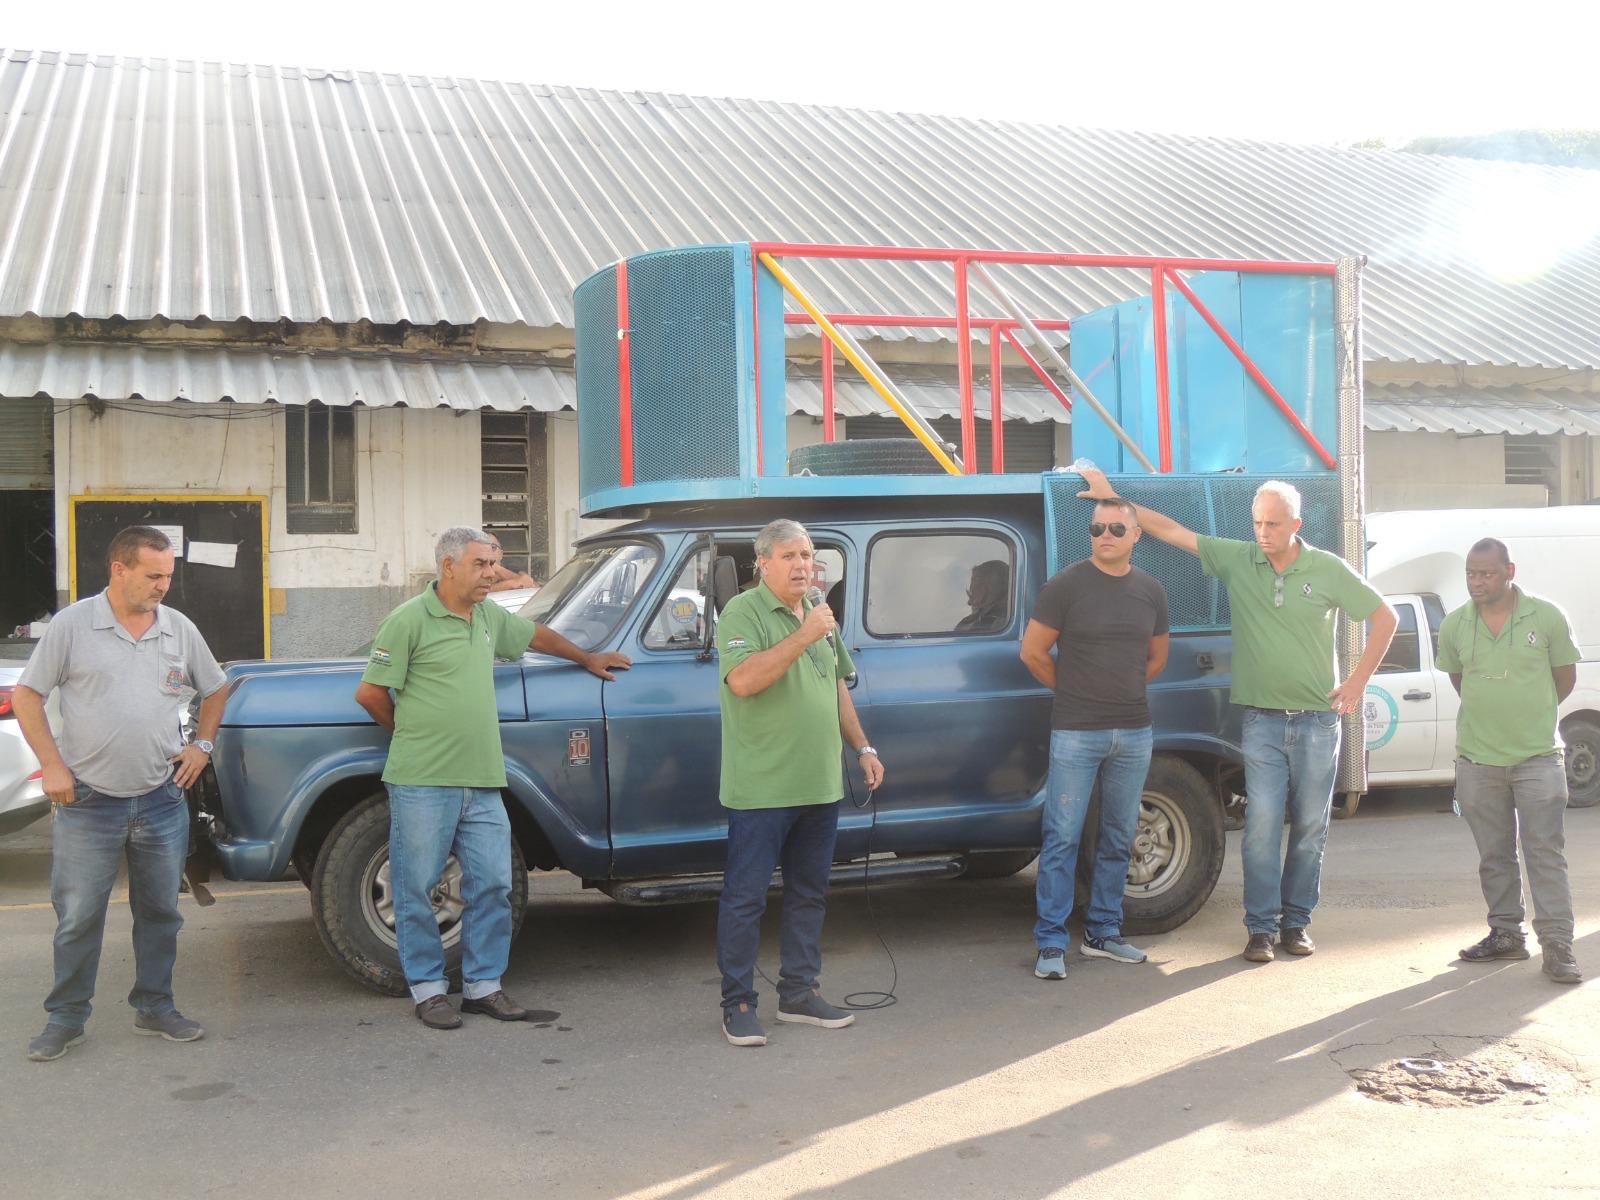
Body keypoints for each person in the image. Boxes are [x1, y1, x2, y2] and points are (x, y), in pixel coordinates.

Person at [1077, 469, 1396, 963]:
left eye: (1273, 524)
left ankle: (1296, 922)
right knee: (1262, 827)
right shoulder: (1239, 559)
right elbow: (1172, 531)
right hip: (1262, 722)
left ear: (1296, 524)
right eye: (1257, 523)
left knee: (1310, 829)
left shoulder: (1327, 568)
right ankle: (1261, 928)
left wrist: (1357, 682)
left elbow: (1385, 617)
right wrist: (1115, 500)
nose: (1263, 533)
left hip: (1317, 722)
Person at [355, 526, 630, 1029]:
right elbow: (370, 694)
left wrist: (587, 657)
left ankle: (483, 987)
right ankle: (428, 991)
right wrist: (412, 734)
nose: (492, 573)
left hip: (482, 780)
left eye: (493, 563)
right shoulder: (408, 620)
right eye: (481, 564)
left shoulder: (486, 616)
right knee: (416, 888)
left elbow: (535, 635)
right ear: (448, 566)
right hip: (423, 780)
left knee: (495, 885)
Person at [13, 526, 227, 1062]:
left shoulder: (177, 628)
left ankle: (154, 1006)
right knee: (79, 917)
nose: (163, 586)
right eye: (153, 575)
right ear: (118, 569)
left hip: (161, 798)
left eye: (168, 576)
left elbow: (217, 687)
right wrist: (52, 765)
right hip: (87, 801)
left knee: (160, 913)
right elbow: (27, 695)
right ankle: (66, 1018)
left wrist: (202, 746)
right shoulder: (73, 625)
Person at [715, 519, 885, 1047]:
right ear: (763, 563)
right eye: (789, 556)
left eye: (807, 555)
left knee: (809, 894)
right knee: (745, 899)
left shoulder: (817, 612)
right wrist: (805, 634)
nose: (802, 565)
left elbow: (835, 685)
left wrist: (863, 747)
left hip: (819, 784)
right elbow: (744, 681)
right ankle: (738, 1003)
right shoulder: (743, 612)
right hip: (762, 787)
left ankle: (799, 993)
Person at [1020, 500, 1169, 978]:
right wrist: (1072, 691)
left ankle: (1103, 933)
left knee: (1119, 836)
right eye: (1097, 527)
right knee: (1061, 837)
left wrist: (1123, 690)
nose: (1105, 534)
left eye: (1116, 528)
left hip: (1135, 731)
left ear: (1136, 535)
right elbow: (1032, 652)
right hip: (1076, 731)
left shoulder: (1151, 591)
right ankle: (1050, 944)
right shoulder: (1065, 586)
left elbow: (1157, 658)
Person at [1436, 539, 1582, 984]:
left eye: (1487, 573)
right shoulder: (1456, 624)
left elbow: (1564, 679)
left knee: (1544, 853)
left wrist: (1529, 714)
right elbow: (1461, 680)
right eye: (1471, 573)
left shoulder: (1547, 616)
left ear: (1509, 571)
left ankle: (1557, 945)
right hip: (1478, 760)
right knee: (1494, 855)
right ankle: (1506, 935)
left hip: (1538, 756)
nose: (1477, 582)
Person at [956, 560, 1011, 633]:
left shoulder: (996, 625)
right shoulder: (1007, 622)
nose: (969, 602)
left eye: (972, 593)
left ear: (990, 588)